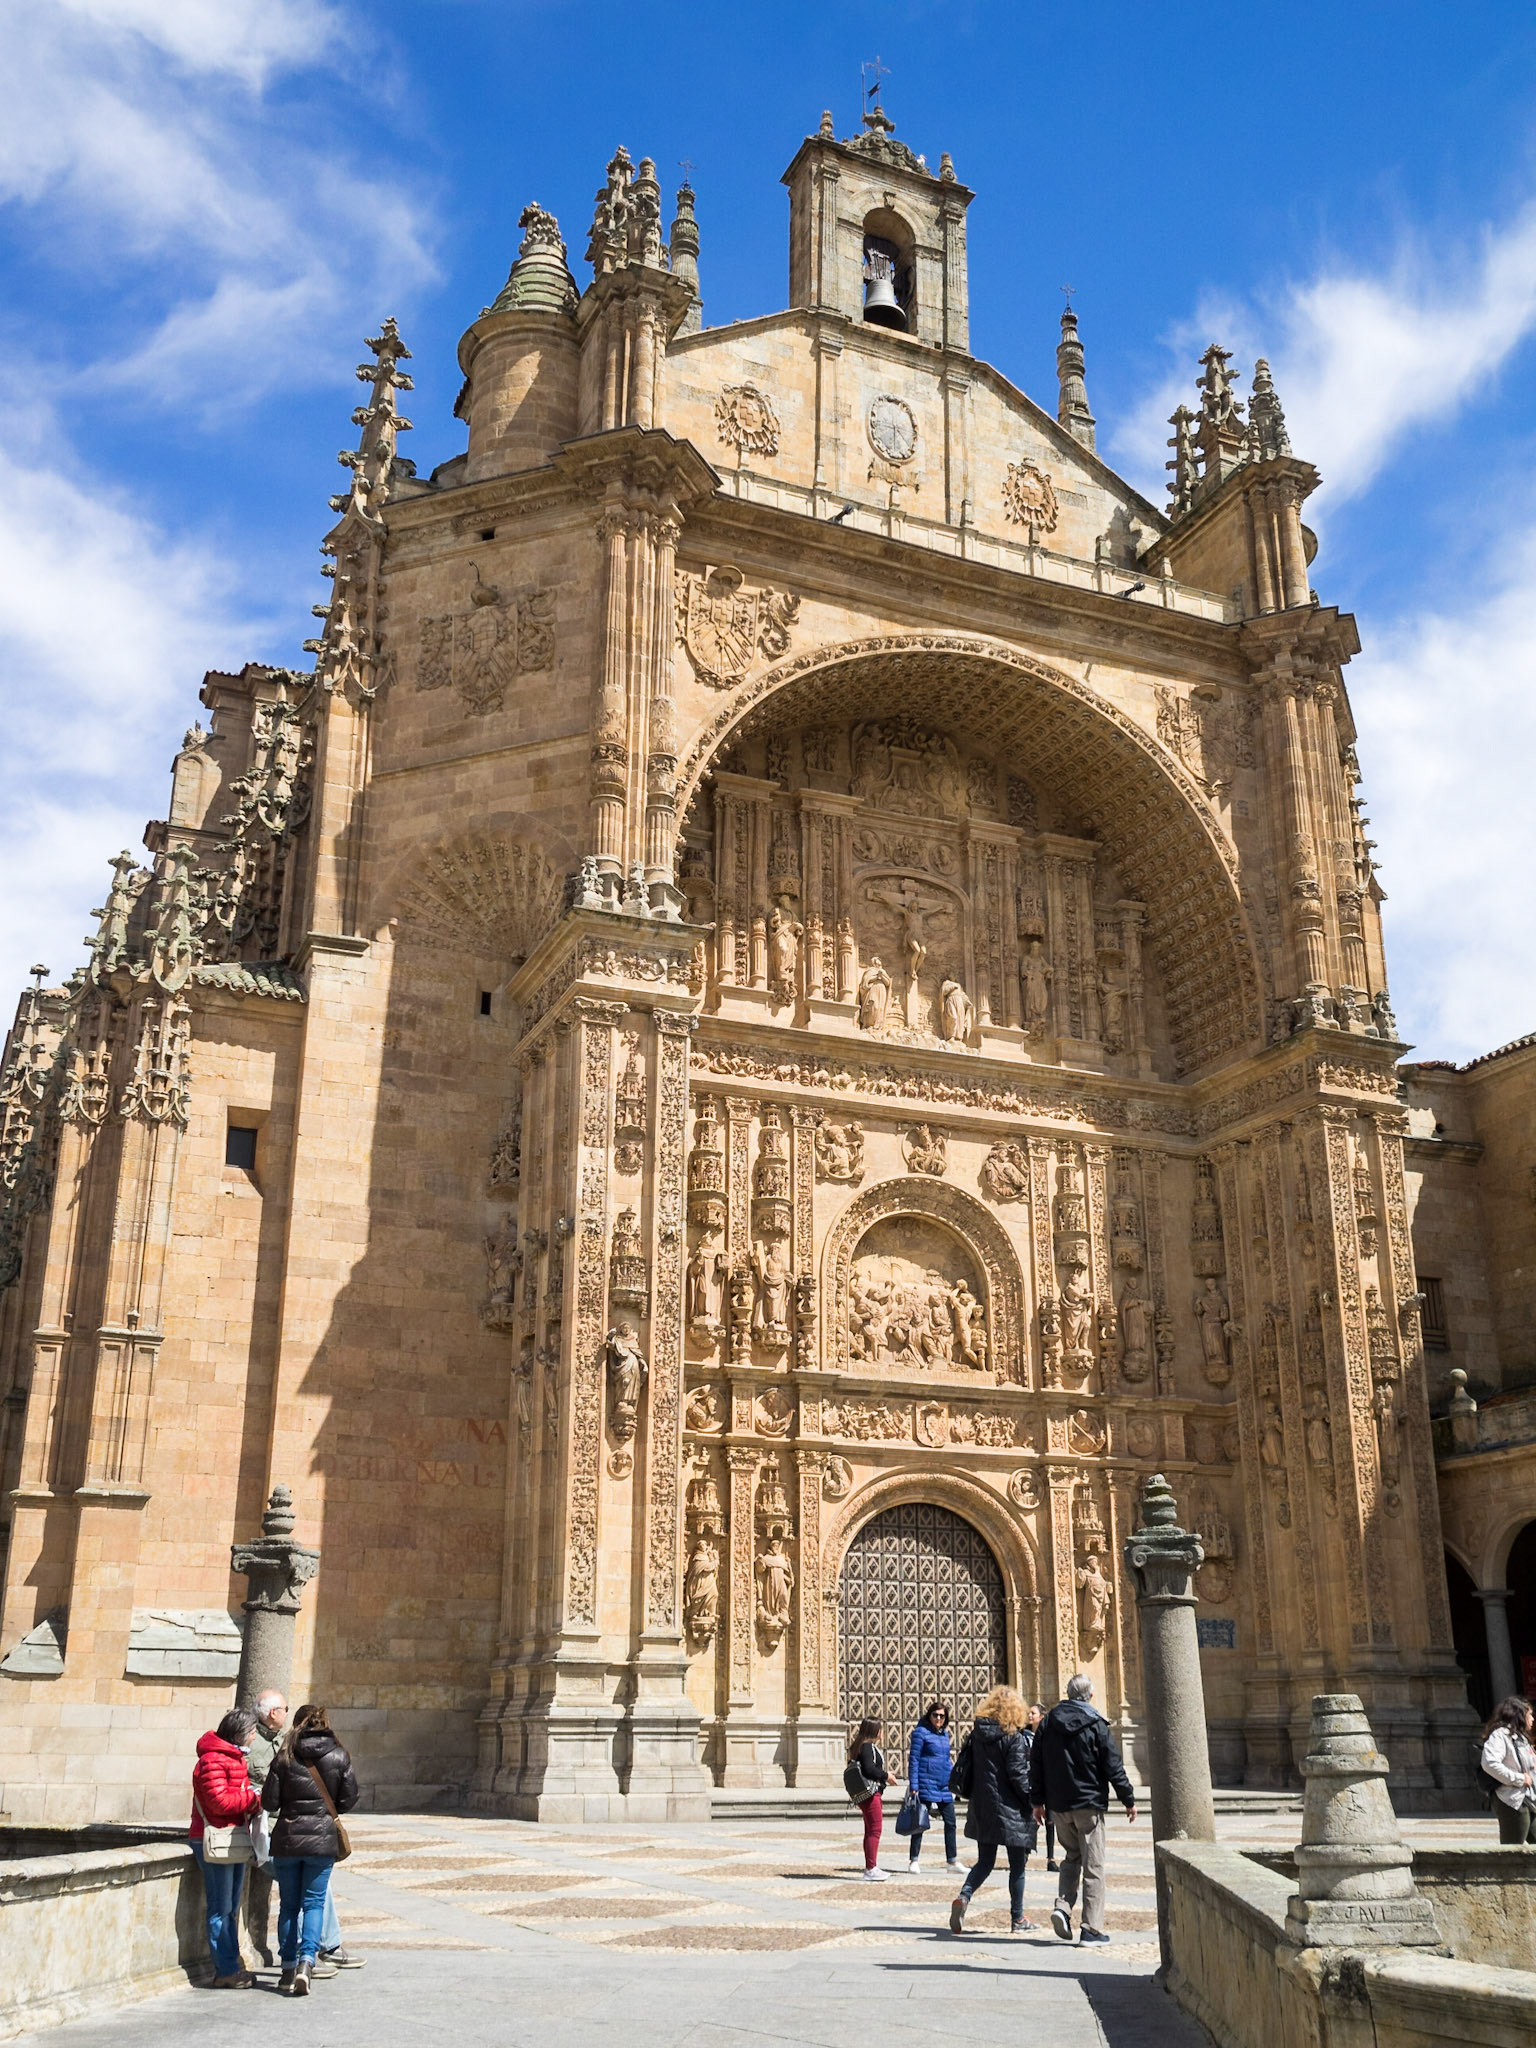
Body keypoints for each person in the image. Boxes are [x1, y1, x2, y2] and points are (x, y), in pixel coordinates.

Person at [1029, 1672, 1136, 1945]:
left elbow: (1036, 1764)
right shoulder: (1096, 1723)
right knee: (1094, 1864)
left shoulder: (1048, 1722)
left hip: (1058, 1806)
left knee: (1071, 1857)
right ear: (1089, 1695)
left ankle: (1062, 1907)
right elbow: (1112, 1765)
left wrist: (1037, 1802)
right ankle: (1091, 1928)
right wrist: (1128, 1798)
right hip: (1088, 1804)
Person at [262, 1702, 359, 1994]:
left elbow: (269, 1802)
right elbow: (350, 1796)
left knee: (289, 1905)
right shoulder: (340, 1754)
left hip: (288, 1839)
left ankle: (287, 1967)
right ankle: (307, 1962)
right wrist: (328, 1812)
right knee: (314, 1903)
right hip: (321, 1840)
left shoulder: (285, 1755)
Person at [947, 1685, 1038, 1935]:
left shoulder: (977, 1736)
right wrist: (1033, 1799)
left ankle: (964, 1897)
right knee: (1017, 1866)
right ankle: (1018, 1919)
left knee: (985, 1861)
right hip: (1011, 1809)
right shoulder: (1014, 1737)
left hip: (983, 1806)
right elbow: (1018, 1776)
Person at [190, 1707, 262, 1989]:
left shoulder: (234, 1758)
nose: (254, 1738)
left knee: (230, 1906)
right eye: (253, 1733)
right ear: (240, 1733)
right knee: (221, 1907)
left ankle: (231, 1965)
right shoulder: (212, 1760)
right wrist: (253, 1799)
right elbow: (218, 1802)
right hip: (213, 1838)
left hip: (231, 1839)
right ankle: (226, 1969)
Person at [906, 1701, 962, 1875]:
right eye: (935, 1715)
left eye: (942, 1716)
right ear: (929, 1715)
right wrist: (914, 1785)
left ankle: (951, 1861)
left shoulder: (944, 1734)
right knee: (920, 1822)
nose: (938, 1718)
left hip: (943, 1785)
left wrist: (954, 1779)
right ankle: (914, 1860)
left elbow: (946, 1759)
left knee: (951, 1822)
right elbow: (914, 1759)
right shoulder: (920, 1733)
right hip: (925, 1783)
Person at [1481, 1696, 1536, 1843]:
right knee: (1512, 1850)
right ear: (1519, 1715)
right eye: (1529, 1714)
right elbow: (1489, 1763)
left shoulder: (1522, 1738)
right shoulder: (1501, 1735)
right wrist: (1519, 1778)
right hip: (1513, 1800)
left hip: (1529, 1799)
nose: (1532, 1719)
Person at [847, 1716, 891, 1881]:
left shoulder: (860, 1746)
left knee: (870, 1830)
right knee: (875, 1830)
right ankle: (871, 1868)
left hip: (865, 1795)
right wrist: (887, 1776)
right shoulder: (868, 1747)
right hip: (871, 1794)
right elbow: (869, 1769)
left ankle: (871, 1866)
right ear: (876, 1731)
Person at [1028, 1703, 1058, 1870]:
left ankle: (1051, 1858)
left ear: (1041, 1716)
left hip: (1048, 1781)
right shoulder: (1024, 1735)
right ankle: (1025, 1853)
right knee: (1031, 1820)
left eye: (1033, 1713)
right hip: (1031, 1781)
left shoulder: (1049, 1735)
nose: (1029, 1716)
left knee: (1050, 1821)